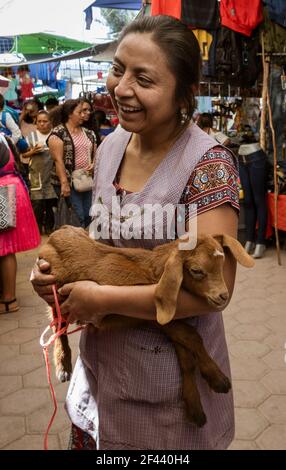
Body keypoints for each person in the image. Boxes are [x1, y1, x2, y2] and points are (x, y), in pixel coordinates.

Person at [31, 15, 240, 450]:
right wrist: (57, 276)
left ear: (184, 93)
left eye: (143, 78)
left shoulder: (207, 166)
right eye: (118, 69)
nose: (121, 88)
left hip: (167, 390)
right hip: (103, 373)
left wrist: (99, 299)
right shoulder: (110, 146)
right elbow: (105, 243)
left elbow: (215, 288)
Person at [0, 135, 40, 314]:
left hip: (3, 193)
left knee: (4, 250)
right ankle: (8, 298)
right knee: (6, 250)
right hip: (10, 190)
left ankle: (8, 299)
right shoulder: (3, 136)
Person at [47, 99, 97, 228]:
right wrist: (64, 184)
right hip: (68, 181)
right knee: (77, 215)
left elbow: (95, 155)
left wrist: (94, 164)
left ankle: (86, 242)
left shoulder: (89, 133)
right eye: (80, 112)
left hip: (86, 180)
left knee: (89, 214)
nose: (84, 114)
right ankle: (76, 244)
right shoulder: (58, 134)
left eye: (85, 111)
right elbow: (58, 161)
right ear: (70, 113)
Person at [24, 110, 57, 234]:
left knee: (50, 204)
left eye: (45, 121)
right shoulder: (31, 137)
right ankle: (36, 230)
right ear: (36, 123)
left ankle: (49, 228)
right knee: (37, 204)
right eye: (39, 121)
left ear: (50, 122)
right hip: (36, 176)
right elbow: (23, 154)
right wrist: (32, 152)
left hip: (52, 175)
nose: (42, 124)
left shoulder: (55, 135)